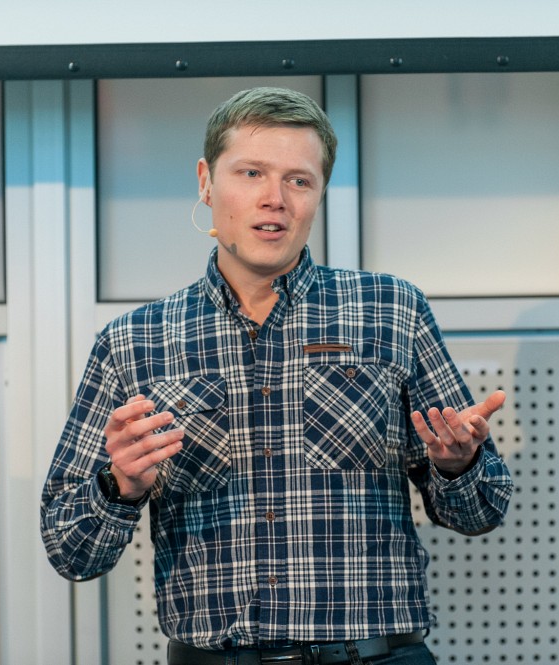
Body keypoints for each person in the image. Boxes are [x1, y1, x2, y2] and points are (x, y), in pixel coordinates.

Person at [41, 86, 514, 665]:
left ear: (318, 195)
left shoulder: (392, 311)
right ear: (206, 183)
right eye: (251, 173)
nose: (275, 199)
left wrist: (459, 463)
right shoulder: (133, 343)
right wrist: (120, 485)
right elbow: (70, 551)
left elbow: (481, 512)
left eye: (299, 180)